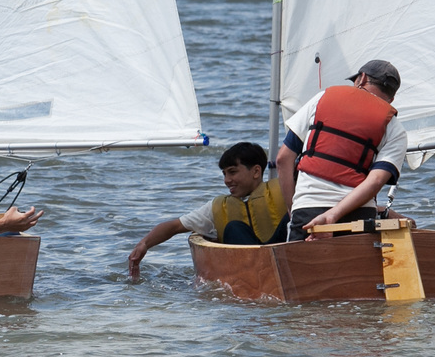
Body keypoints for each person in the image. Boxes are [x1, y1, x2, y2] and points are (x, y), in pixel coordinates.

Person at [275, 59, 407, 241]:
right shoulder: (395, 128)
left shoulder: (322, 99)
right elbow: (375, 181)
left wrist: (293, 209)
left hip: (308, 210)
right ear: (391, 99)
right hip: (358, 216)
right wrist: (333, 215)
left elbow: (283, 159)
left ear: (361, 79)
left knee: (299, 269)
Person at [126, 142, 286, 278]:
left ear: (256, 171)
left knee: (292, 217)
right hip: (251, 269)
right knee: (234, 227)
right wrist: (144, 244)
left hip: (284, 258)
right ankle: (257, 279)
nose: (227, 180)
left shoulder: (285, 190)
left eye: (232, 172)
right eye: (224, 174)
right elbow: (175, 226)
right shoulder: (218, 207)